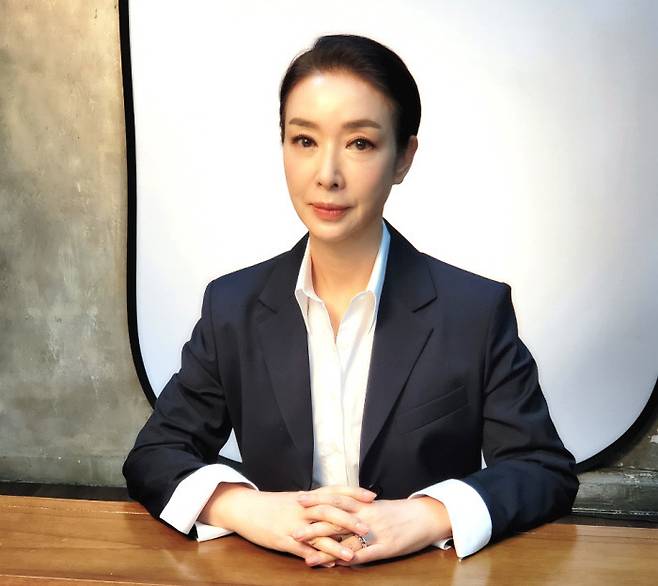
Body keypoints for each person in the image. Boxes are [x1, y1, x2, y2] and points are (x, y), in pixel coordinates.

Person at [123, 34, 578, 568]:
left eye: (360, 143)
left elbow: (543, 469)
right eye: (304, 140)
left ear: (403, 157)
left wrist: (427, 515)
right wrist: (248, 508)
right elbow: (155, 454)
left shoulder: (474, 310)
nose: (327, 175)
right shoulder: (233, 305)